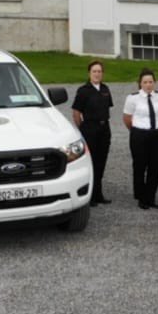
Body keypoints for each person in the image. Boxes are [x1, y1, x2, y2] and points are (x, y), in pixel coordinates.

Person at [71, 60, 113, 206]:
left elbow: (108, 108)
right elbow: (76, 112)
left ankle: (98, 193)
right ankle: (90, 196)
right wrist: (82, 129)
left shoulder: (105, 89)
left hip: (104, 129)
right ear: (89, 73)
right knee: (91, 163)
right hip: (90, 129)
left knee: (101, 162)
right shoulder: (83, 91)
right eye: (94, 71)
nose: (97, 74)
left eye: (99, 71)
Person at [123, 68, 158, 210]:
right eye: (145, 82)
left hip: (157, 135)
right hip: (139, 135)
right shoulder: (133, 98)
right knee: (140, 166)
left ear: (155, 83)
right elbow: (127, 118)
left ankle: (150, 197)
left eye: (151, 82)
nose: (148, 85)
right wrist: (137, 131)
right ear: (140, 84)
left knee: (155, 167)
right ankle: (141, 197)